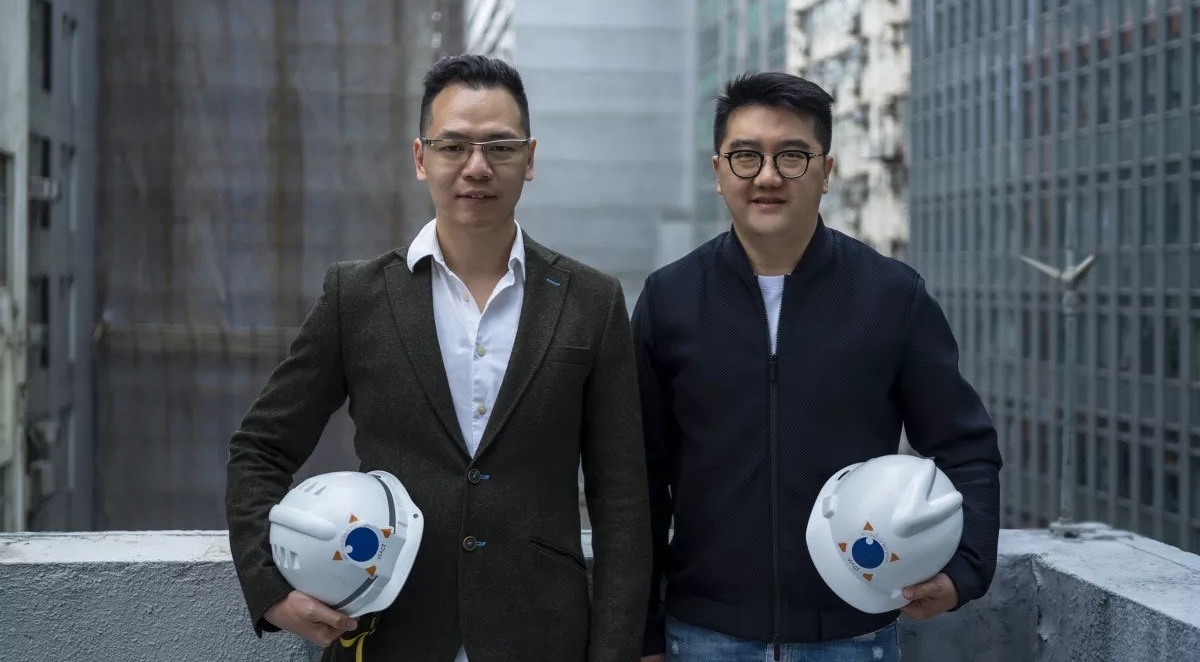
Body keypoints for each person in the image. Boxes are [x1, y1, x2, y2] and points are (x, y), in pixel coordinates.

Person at [227, 54, 651, 662]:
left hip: (543, 636)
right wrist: (270, 589)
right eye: (453, 146)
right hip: (387, 634)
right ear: (421, 157)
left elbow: (623, 501)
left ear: (530, 159)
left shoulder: (591, 301)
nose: (477, 167)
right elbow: (261, 448)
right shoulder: (358, 297)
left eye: (500, 147)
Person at [633, 72, 1002, 662]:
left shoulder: (891, 296)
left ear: (826, 171)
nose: (768, 176)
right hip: (703, 634)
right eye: (746, 156)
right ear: (719, 171)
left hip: (853, 636)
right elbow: (640, 477)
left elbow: (965, 446)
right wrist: (643, 630)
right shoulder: (669, 299)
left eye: (793, 156)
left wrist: (967, 569)